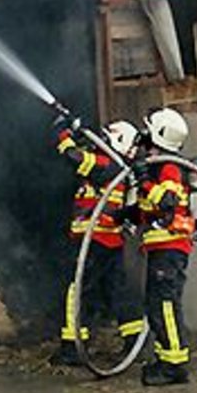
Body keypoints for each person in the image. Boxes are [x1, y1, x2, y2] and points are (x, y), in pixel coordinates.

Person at [51, 114, 146, 365]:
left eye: (105, 138)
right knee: (117, 291)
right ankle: (135, 341)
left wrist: (63, 134)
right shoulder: (118, 167)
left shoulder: (109, 166)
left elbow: (76, 159)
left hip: (93, 241)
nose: (100, 142)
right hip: (109, 242)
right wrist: (81, 133)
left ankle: (73, 347)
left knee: (77, 290)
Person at [133, 107, 195, 386]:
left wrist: (143, 180)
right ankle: (165, 359)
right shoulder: (158, 165)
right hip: (162, 249)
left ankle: (175, 366)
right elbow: (150, 209)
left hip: (169, 249)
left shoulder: (169, 167)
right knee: (156, 304)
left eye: (148, 129)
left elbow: (167, 202)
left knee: (165, 305)